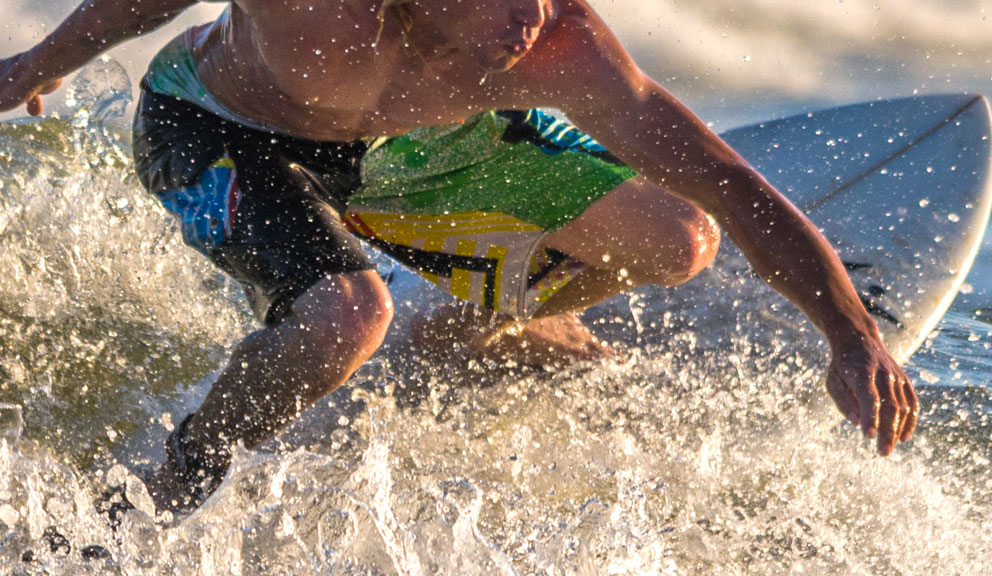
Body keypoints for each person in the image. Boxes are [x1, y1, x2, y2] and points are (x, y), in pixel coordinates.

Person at [0, 0, 919, 513]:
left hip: (408, 151)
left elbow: (724, 178)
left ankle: (483, 322)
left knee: (680, 239)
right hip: (224, 128)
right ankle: (174, 482)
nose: (534, 14)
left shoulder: (555, 40)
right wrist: (40, 61)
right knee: (347, 318)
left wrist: (848, 335)